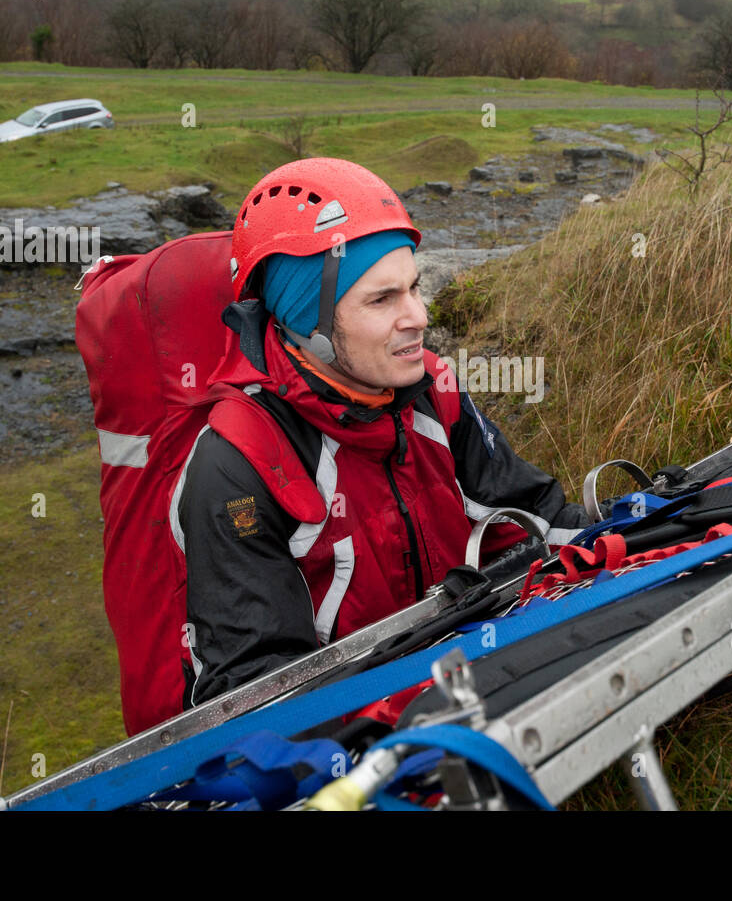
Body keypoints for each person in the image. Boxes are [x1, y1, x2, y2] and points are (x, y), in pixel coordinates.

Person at [173, 158, 591, 708]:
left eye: (414, 288)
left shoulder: (434, 392)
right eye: (382, 299)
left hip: (468, 680)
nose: (418, 315)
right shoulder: (236, 467)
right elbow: (257, 694)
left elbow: (538, 516)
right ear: (309, 323)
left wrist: (629, 550)